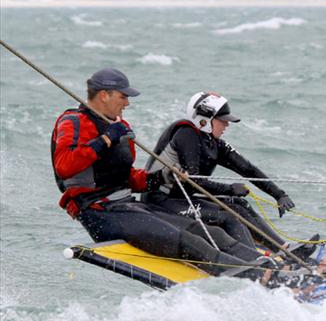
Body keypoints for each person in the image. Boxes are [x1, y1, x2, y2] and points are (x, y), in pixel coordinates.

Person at [51, 68, 270, 279]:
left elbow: (127, 178)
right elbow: (64, 165)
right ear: (104, 95)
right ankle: (263, 278)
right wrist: (106, 139)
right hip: (99, 213)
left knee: (213, 234)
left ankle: (274, 267)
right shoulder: (73, 122)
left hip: (128, 206)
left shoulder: (118, 125)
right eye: (123, 96)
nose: (127, 103)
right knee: (193, 243)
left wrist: (163, 177)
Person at [143, 91, 317, 258]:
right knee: (228, 215)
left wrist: (278, 194)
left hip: (180, 200)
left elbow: (248, 170)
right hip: (160, 202)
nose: (227, 124)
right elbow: (192, 182)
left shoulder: (214, 143)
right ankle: (256, 262)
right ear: (205, 119)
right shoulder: (186, 134)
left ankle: (284, 250)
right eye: (222, 120)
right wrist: (229, 189)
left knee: (239, 204)